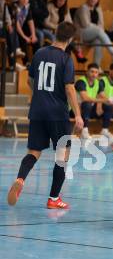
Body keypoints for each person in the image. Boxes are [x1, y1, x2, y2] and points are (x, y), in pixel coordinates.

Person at [7, 22, 84, 209]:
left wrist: (40, 95)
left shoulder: (40, 53)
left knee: (33, 152)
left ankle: (20, 178)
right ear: (71, 39)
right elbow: (69, 88)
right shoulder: (66, 59)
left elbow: (30, 80)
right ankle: (54, 198)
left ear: (55, 33)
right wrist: (79, 115)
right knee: (62, 155)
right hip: (57, 113)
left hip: (37, 110)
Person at [74, 0, 113, 65]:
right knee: (99, 30)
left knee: (98, 41)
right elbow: (85, 24)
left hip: (94, 34)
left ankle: (96, 66)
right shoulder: (83, 8)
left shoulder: (98, 9)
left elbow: (101, 24)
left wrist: (98, 28)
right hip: (82, 33)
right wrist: (98, 28)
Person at [75, 63, 113, 142]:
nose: (94, 74)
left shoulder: (98, 83)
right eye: (92, 72)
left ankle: (105, 130)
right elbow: (85, 98)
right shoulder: (81, 82)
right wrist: (102, 101)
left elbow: (103, 96)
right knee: (87, 104)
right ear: (87, 72)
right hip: (77, 110)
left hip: (88, 111)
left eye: (96, 72)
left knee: (108, 106)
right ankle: (84, 130)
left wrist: (108, 102)